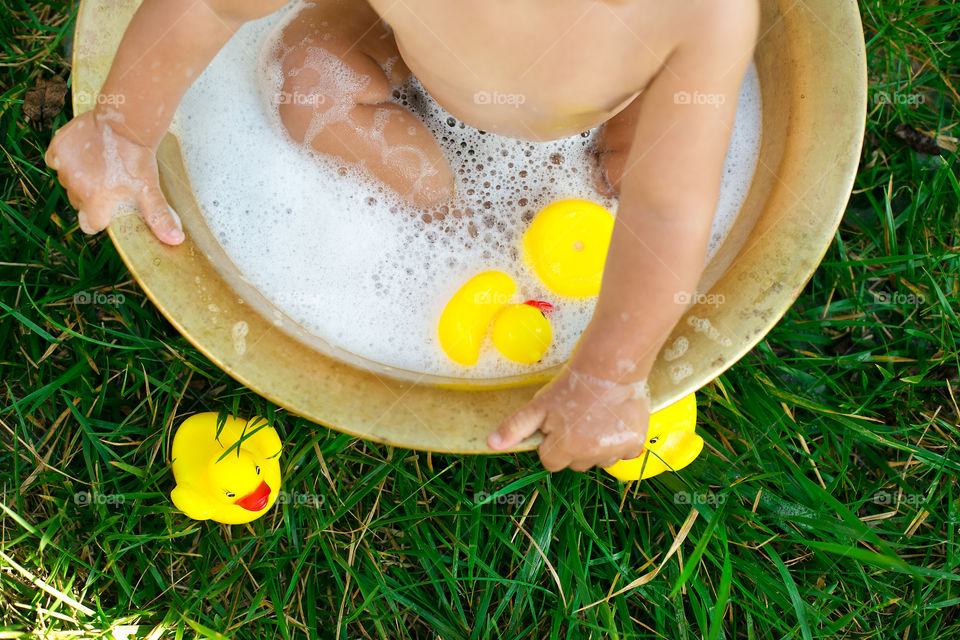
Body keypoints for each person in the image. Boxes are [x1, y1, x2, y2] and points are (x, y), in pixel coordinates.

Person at [45, 0, 759, 472]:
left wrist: (608, 374)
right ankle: (444, 206)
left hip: (617, 104)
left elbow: (667, 212)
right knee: (311, 79)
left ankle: (580, 180)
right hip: (403, 44)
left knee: (645, 168)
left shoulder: (704, 16)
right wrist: (122, 127)